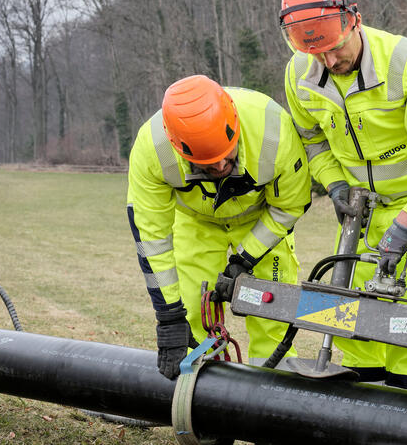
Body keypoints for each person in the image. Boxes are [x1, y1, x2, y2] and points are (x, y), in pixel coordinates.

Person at [280, 0, 407, 392]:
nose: (328, 61)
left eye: (335, 49)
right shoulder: (299, 76)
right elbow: (312, 142)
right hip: (358, 217)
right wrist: (334, 184)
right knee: (354, 330)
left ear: (354, 19)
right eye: (317, 53)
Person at [127, 75, 312, 379]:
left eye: (225, 159)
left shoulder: (273, 130)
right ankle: (199, 397)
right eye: (206, 165)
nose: (218, 168)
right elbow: (152, 239)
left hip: (261, 219)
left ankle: (275, 403)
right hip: (196, 220)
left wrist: (244, 259)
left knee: (273, 312)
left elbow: (289, 206)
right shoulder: (153, 149)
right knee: (193, 307)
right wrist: (169, 318)